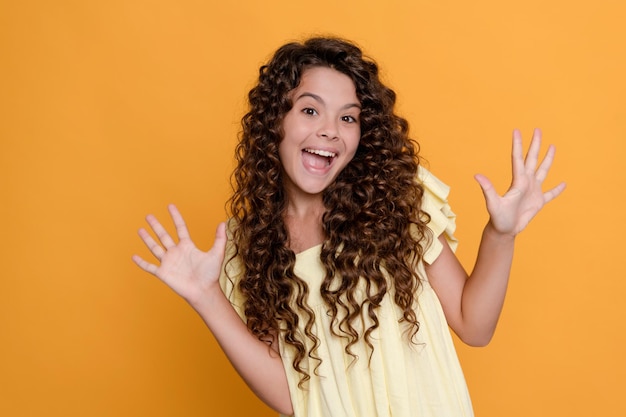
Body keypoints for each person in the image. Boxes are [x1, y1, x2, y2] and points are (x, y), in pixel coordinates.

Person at [132, 37, 566, 417]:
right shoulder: (247, 248)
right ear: (274, 123)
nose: (330, 131)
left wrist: (500, 235)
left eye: (347, 117)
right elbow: (288, 395)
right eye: (309, 110)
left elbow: (475, 325)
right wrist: (206, 297)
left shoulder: (395, 205)